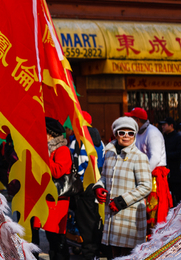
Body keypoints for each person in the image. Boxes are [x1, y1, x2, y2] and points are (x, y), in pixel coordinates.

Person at [93, 116, 152, 259]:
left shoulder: (139, 157)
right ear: (116, 134)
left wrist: (121, 201)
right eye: (122, 132)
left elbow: (146, 186)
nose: (126, 136)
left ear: (134, 135)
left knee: (127, 256)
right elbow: (104, 177)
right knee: (113, 254)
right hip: (112, 216)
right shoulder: (110, 154)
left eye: (130, 133)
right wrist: (99, 186)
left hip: (129, 217)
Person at [124, 108, 172, 229]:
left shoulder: (152, 133)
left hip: (153, 176)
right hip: (143, 174)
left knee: (152, 212)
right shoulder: (137, 133)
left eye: (131, 119)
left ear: (137, 120)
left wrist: (142, 175)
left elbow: (154, 158)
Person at [69, 111, 105, 260]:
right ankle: (95, 251)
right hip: (98, 184)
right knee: (95, 220)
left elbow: (74, 165)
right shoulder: (99, 140)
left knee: (84, 223)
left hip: (83, 186)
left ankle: (89, 254)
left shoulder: (77, 140)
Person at [43, 117, 72, 260]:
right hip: (49, 199)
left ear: (50, 134)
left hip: (58, 200)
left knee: (58, 239)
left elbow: (58, 171)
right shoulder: (51, 149)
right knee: (51, 238)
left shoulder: (62, 149)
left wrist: (45, 157)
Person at [159, 116, 181, 207]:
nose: (162, 127)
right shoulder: (163, 137)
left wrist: (165, 155)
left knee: (177, 194)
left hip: (175, 172)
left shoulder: (178, 137)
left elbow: (179, 153)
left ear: (171, 125)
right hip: (165, 172)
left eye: (164, 125)